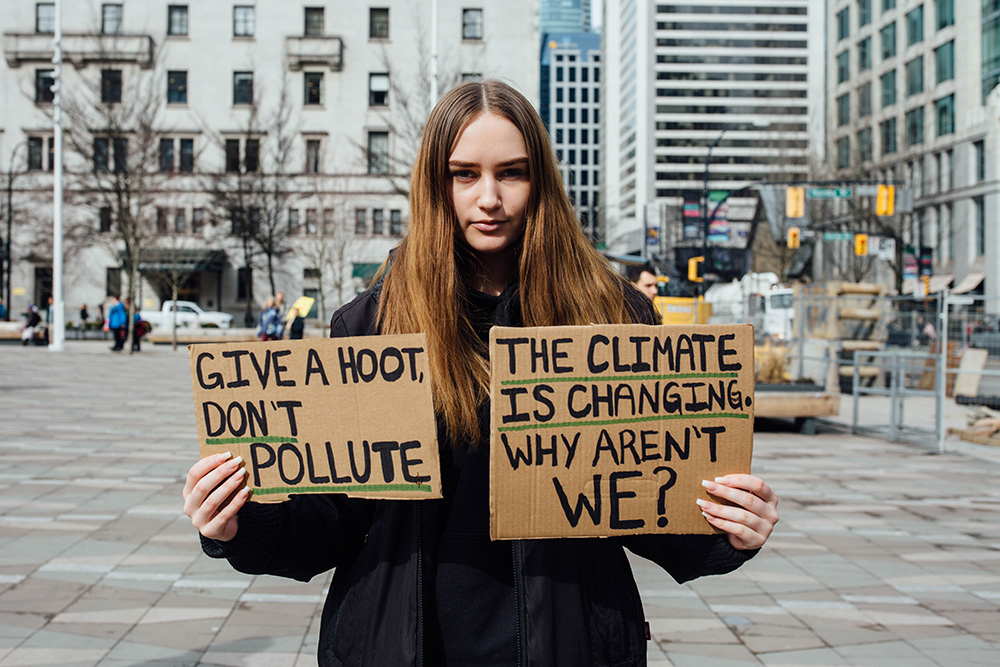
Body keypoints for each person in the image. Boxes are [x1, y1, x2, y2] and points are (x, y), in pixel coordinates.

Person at [183, 80, 779, 666]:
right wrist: (241, 522)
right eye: (464, 174)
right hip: (398, 644)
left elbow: (644, 500)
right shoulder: (372, 324)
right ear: (434, 183)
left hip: (571, 642)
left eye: (511, 173)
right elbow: (340, 517)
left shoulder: (613, 315)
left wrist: (727, 528)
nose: (488, 197)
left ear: (540, 180)